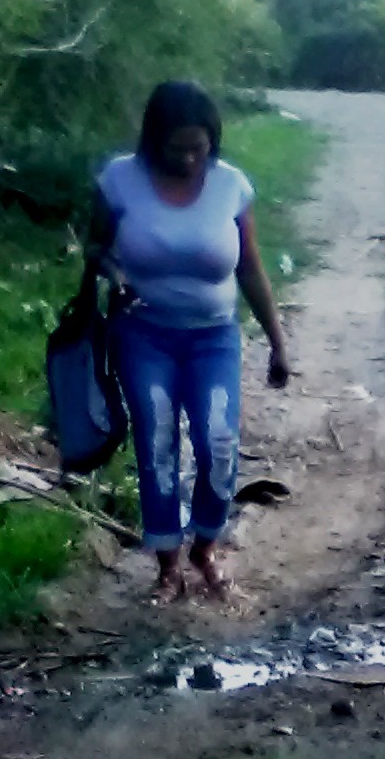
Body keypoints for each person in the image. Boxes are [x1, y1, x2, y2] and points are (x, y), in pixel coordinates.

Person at [85, 80, 291, 600]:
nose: (189, 158)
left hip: (213, 337)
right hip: (143, 333)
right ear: (154, 140)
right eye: (177, 148)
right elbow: (96, 247)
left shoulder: (231, 187)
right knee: (156, 443)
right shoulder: (119, 180)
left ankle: (206, 546)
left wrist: (278, 342)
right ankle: (167, 565)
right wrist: (115, 274)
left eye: (199, 147)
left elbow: (250, 267)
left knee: (218, 441)